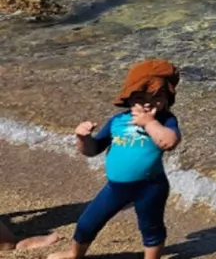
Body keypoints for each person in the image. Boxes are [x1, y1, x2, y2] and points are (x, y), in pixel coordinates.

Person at [48, 60, 181, 259]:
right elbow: (93, 150)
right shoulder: (117, 121)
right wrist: (83, 138)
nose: (147, 103)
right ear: (128, 99)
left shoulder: (165, 121)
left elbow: (169, 142)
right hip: (116, 187)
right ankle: (74, 253)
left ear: (168, 98)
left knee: (151, 227)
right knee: (87, 222)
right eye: (140, 97)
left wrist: (149, 122)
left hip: (151, 186)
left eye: (157, 96)